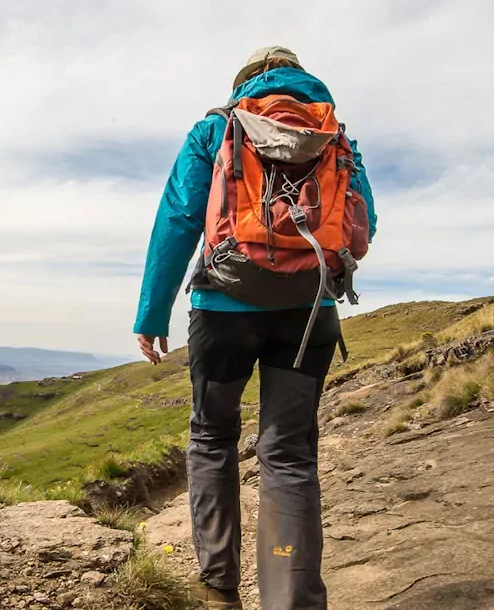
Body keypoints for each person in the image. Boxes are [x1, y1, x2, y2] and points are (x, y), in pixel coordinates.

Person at [133, 46, 377, 609]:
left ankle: (219, 586)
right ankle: (288, 598)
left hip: (223, 312)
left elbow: (178, 218)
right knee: (289, 453)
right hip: (308, 314)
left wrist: (152, 311)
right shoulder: (334, 136)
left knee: (212, 436)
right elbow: (363, 228)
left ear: (246, 83)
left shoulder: (217, 127)